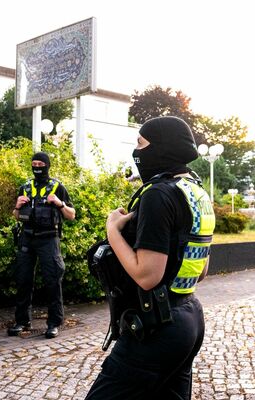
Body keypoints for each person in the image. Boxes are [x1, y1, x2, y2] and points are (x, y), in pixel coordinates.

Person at [85, 116, 214, 400]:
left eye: (140, 144)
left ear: (161, 148)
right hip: (189, 318)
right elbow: (201, 270)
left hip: (156, 325)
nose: (136, 152)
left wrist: (112, 230)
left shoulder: (158, 194)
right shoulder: (196, 191)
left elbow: (147, 276)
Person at [9, 152, 76, 339]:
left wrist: (59, 203)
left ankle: (54, 323)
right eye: (34, 163)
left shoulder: (57, 187)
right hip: (27, 238)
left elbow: (71, 215)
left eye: (41, 164)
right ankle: (22, 321)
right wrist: (17, 206)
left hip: (49, 239)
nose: (37, 167)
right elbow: (16, 216)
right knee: (23, 280)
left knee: (53, 280)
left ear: (47, 165)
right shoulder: (25, 187)